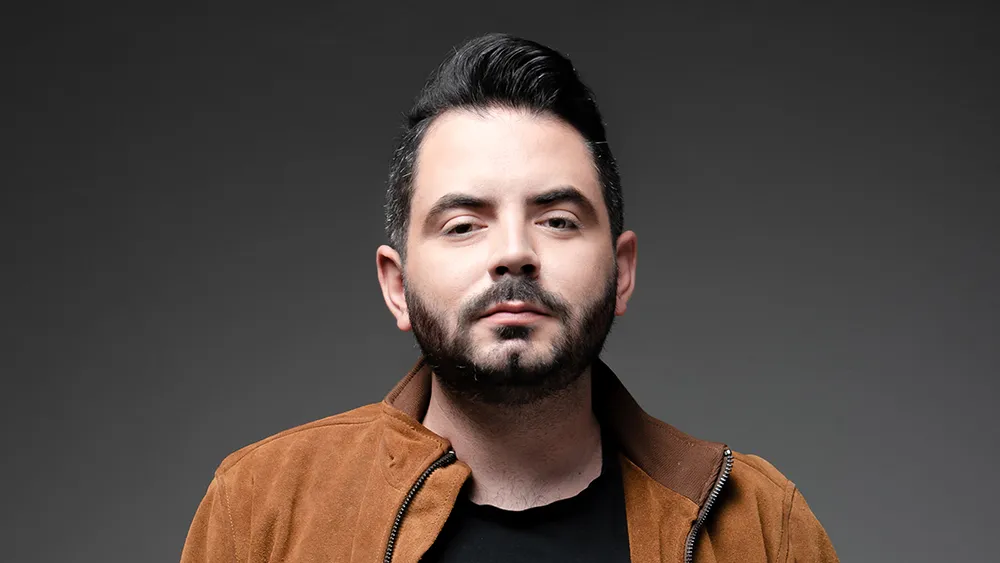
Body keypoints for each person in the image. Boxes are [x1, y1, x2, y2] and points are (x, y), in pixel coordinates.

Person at [180, 33, 838, 562]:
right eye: (463, 225)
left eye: (558, 220)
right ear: (397, 285)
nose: (514, 251)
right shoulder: (262, 507)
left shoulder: (762, 525)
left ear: (622, 272)